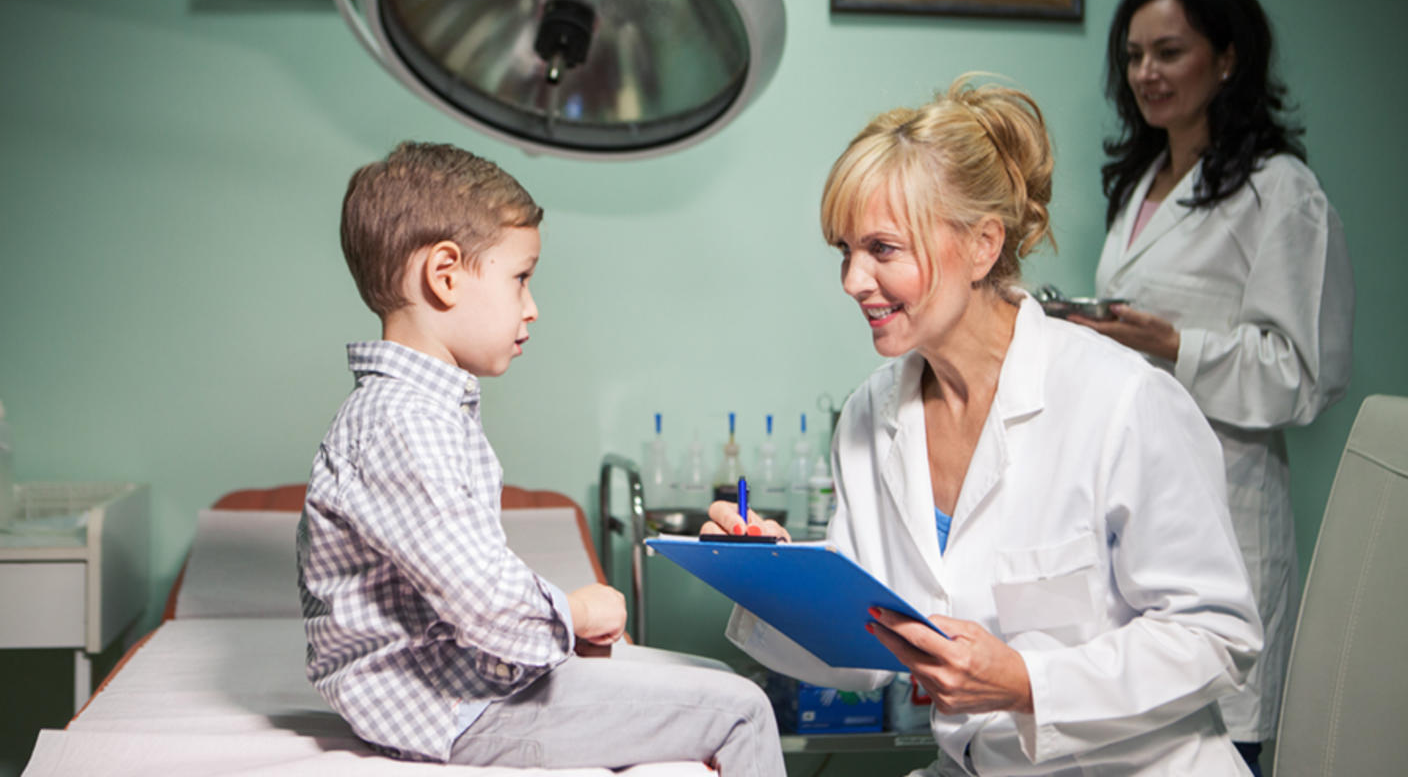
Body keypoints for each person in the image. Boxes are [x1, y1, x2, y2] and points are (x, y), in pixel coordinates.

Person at [706, 78, 1263, 775]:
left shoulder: (1121, 401)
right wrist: (772, 577)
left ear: (981, 246)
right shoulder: (871, 417)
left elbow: (1217, 636)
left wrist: (1028, 682)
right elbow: (865, 655)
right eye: (843, 250)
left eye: (882, 248)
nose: (852, 279)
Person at [297, 141, 784, 775]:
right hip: (458, 708)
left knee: (713, 678)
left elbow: (461, 577)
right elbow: (482, 601)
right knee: (744, 709)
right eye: (520, 278)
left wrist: (560, 629)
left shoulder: (412, 411)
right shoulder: (404, 422)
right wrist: (573, 613)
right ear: (444, 275)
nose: (532, 306)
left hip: (460, 683)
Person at [1075, 0, 1354, 770]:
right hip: (1130, 510)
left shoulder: (1281, 192)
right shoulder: (1140, 182)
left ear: (1228, 58)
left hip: (1226, 508)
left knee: (1215, 742)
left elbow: (1305, 376)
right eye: (1133, 55)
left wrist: (1173, 342)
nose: (1146, 73)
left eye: (1169, 52)